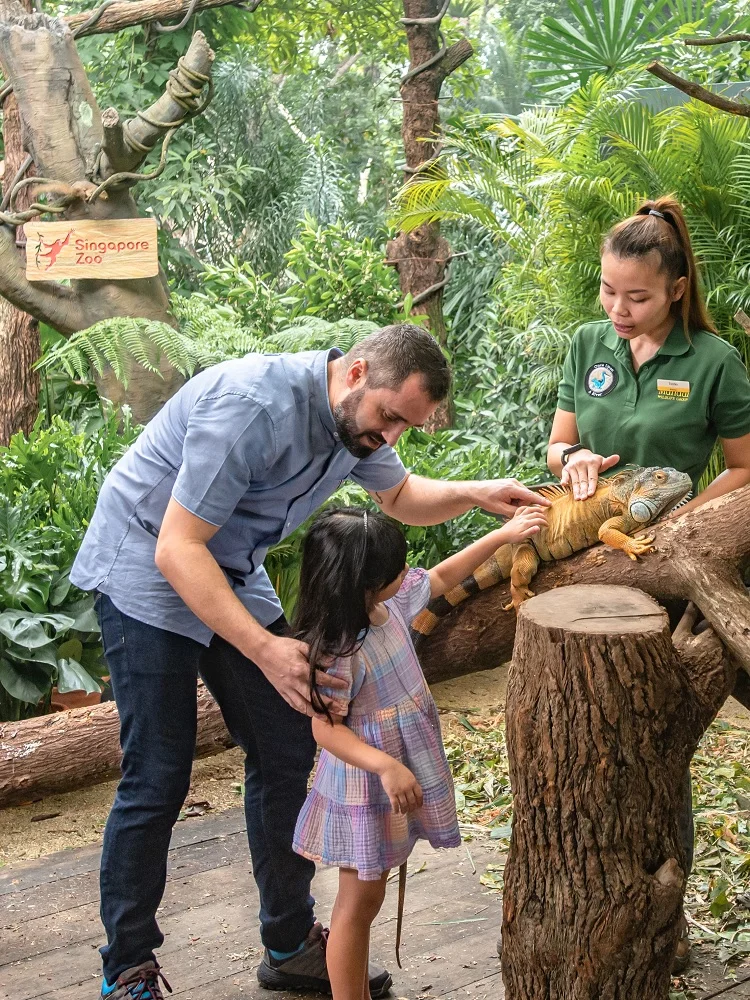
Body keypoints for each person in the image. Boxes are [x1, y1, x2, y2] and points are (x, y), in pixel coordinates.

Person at [70, 323, 550, 1000]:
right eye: (389, 419)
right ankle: (127, 968)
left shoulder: (358, 424)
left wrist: (478, 493)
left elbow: (400, 497)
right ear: (355, 374)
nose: (389, 438)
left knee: (290, 744)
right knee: (158, 776)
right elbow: (178, 549)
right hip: (146, 568)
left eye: (404, 428)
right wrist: (266, 648)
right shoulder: (253, 407)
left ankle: (289, 940)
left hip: (229, 567)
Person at [547, 197, 750, 970]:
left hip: (664, 570)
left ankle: (665, 912)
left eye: (636, 295)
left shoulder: (713, 360)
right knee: (583, 734)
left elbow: (743, 466)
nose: (618, 309)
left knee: (656, 744)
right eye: (607, 291)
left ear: (674, 287)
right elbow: (559, 443)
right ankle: (593, 903)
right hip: (584, 559)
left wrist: (678, 533)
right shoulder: (587, 343)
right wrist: (569, 462)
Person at [290, 503, 548, 1000]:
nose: (406, 574)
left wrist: (505, 534)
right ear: (362, 584)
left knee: (370, 893)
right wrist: (385, 765)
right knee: (357, 903)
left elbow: (442, 575)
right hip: (368, 786)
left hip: (394, 776)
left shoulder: (389, 605)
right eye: (395, 570)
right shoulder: (338, 651)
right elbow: (326, 732)